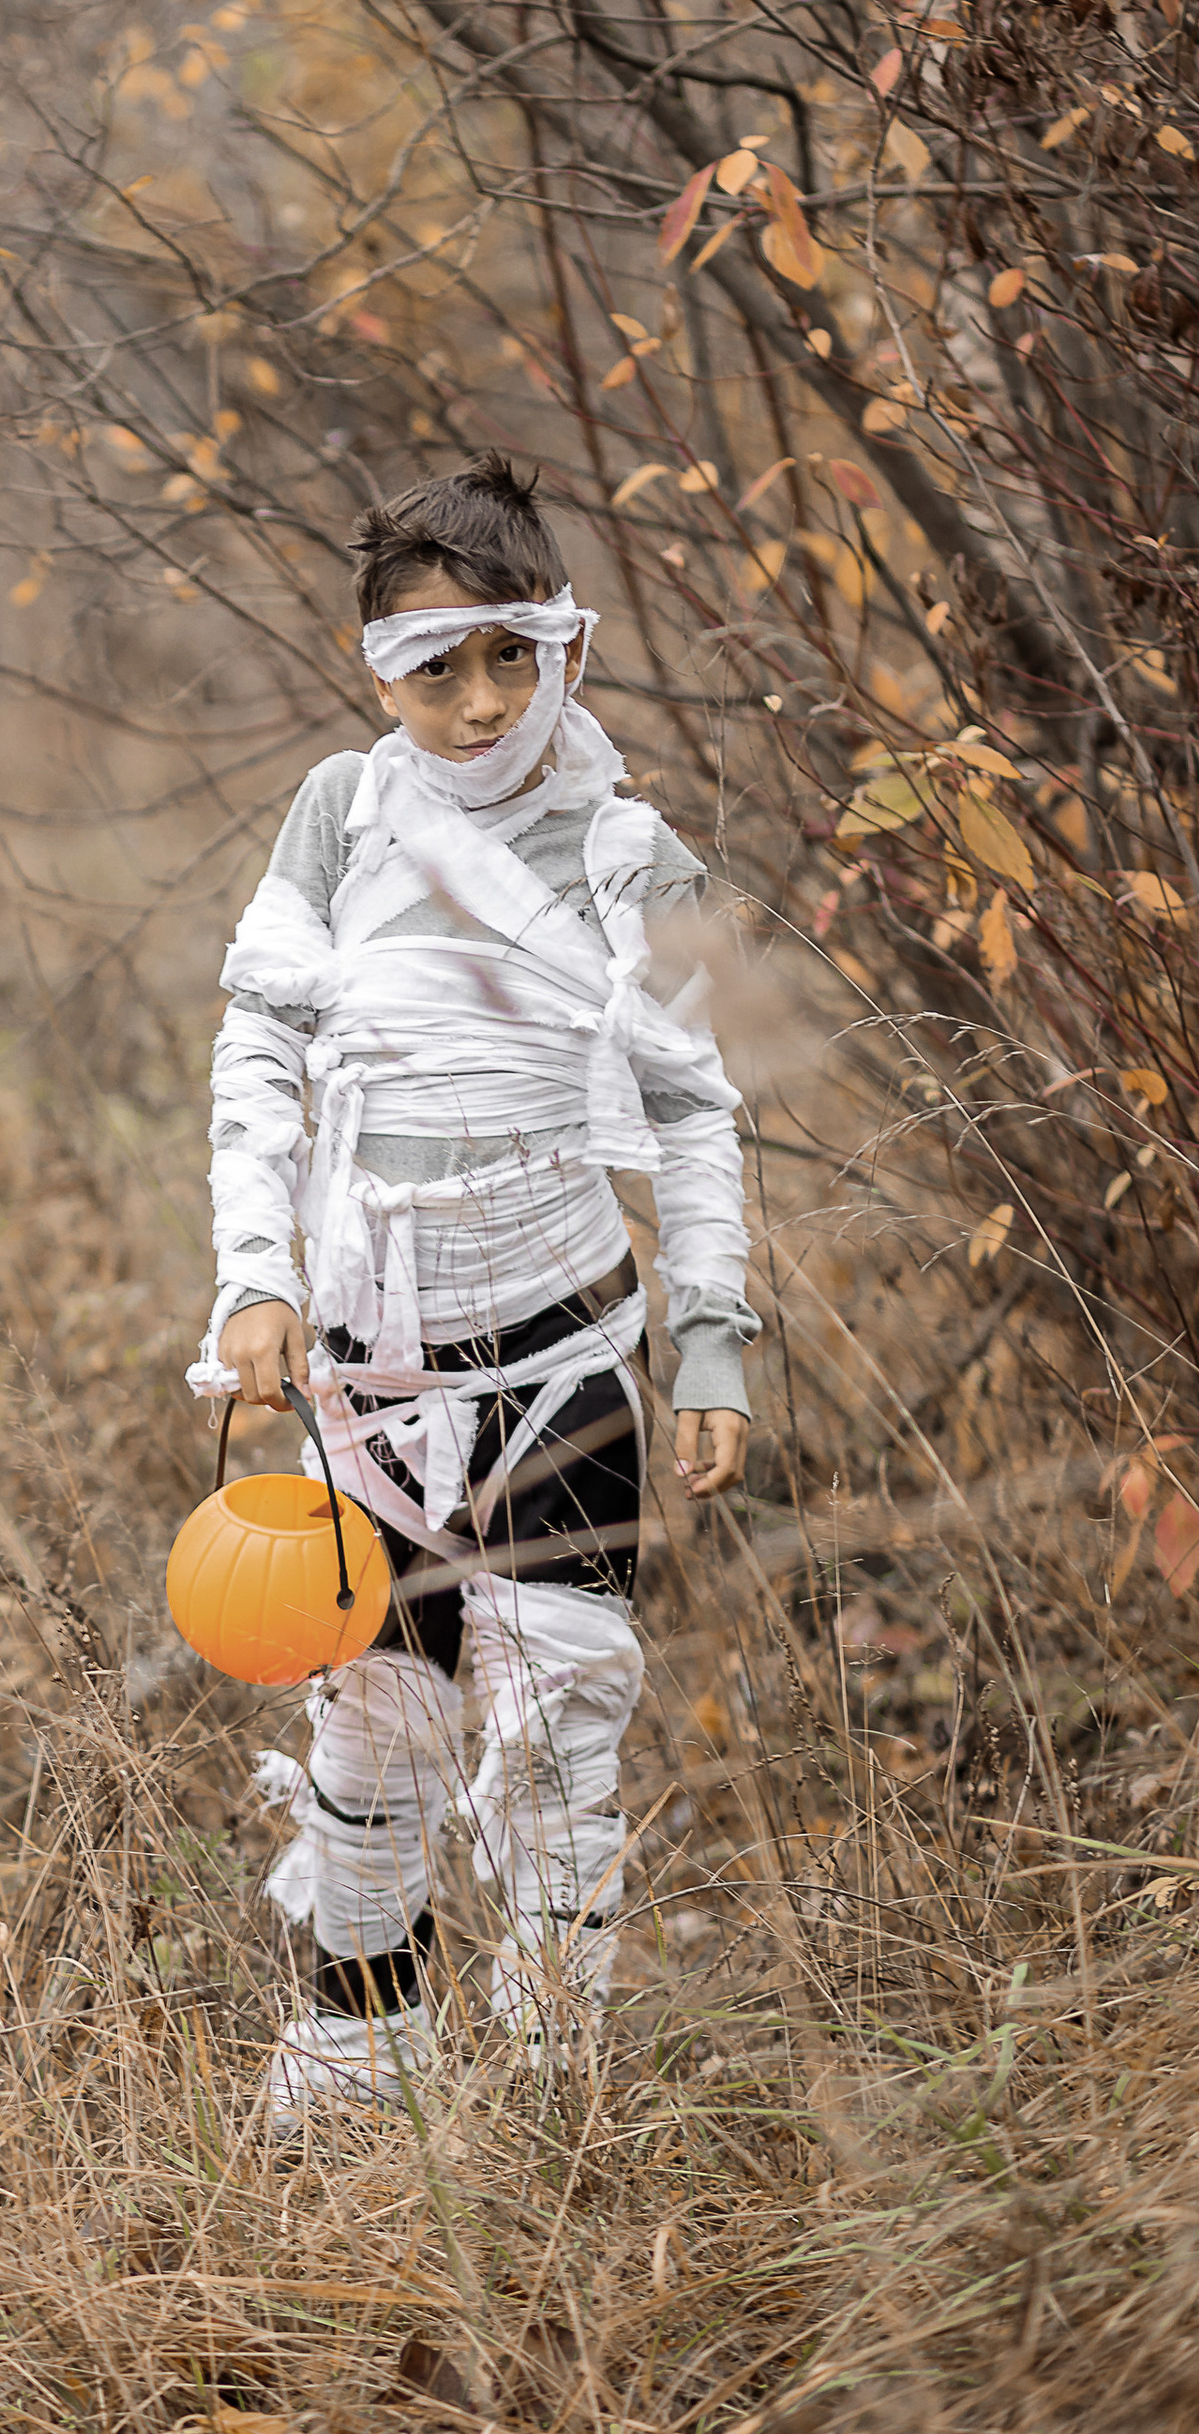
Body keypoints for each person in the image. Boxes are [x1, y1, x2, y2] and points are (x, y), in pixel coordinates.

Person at [196, 453, 755, 2118]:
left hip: (560, 1345)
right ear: (379, 671)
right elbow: (259, 1053)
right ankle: (360, 2053)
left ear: (564, 645)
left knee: (556, 1729)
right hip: (370, 1371)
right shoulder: (340, 815)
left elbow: (694, 1108)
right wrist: (253, 1276)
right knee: (371, 1721)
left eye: (515, 655)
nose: (482, 701)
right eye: (437, 666)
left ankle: (554, 2085)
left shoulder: (630, 851)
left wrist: (713, 1340)